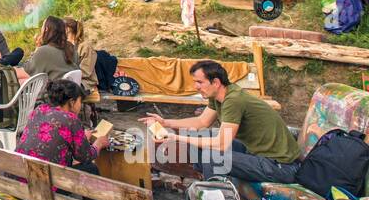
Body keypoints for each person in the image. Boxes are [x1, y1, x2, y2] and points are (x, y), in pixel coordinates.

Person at [140, 59, 302, 186]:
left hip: (280, 166)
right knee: (201, 138)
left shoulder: (233, 100)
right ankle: (207, 181)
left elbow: (222, 144)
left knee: (213, 156)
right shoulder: (219, 97)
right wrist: (165, 122)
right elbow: (201, 122)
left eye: (199, 82)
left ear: (216, 82)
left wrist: (176, 138)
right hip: (258, 153)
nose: (195, 86)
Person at [17, 79, 109, 171]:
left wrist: (82, 137)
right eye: (80, 101)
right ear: (72, 102)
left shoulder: (39, 110)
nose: (80, 105)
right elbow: (85, 157)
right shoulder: (71, 119)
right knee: (91, 168)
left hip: (19, 170)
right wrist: (99, 144)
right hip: (44, 177)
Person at [16, 16, 79, 83]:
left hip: (52, 91)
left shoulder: (44, 51)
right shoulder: (71, 48)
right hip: (69, 90)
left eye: (42, 26)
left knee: (16, 80)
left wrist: (10, 69)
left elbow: (26, 72)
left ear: (46, 29)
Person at [65, 18, 98, 96]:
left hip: (85, 82)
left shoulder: (85, 47)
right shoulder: (63, 45)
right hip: (68, 80)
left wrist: (66, 75)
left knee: (65, 92)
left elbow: (85, 72)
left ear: (67, 30)